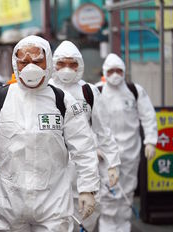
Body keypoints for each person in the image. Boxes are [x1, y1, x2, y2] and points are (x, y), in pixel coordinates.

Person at [0, 35, 100, 231]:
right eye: (24, 62)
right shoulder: (0, 98)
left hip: (53, 203)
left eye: (37, 61)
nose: (30, 68)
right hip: (8, 203)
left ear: (48, 63)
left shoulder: (62, 100)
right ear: (15, 64)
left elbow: (84, 147)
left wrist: (88, 189)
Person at [50, 40, 121, 231]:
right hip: (50, 170)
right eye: (61, 64)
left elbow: (103, 130)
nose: (67, 69)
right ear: (52, 64)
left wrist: (113, 162)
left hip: (84, 167)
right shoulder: (44, 91)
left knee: (85, 219)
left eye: (72, 64)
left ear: (80, 65)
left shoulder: (88, 91)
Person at [97, 53, 157, 232]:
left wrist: (151, 141)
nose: (115, 74)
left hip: (131, 151)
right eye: (111, 71)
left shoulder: (134, 90)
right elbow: (86, 122)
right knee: (108, 192)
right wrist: (94, 147)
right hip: (106, 155)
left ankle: (123, 227)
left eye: (118, 70)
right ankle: (107, 227)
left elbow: (148, 116)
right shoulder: (96, 91)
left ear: (124, 71)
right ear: (105, 72)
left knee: (128, 192)